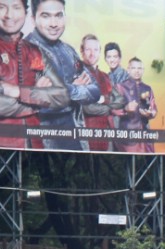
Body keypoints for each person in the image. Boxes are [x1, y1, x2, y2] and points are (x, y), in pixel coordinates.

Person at [25, 0, 99, 151]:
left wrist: (64, 91)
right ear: (33, 19)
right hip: (42, 144)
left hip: (77, 139)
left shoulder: (69, 51)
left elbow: (96, 91)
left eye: (59, 16)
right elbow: (29, 100)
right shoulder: (23, 51)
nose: (54, 23)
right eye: (46, 16)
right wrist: (76, 89)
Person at [0, 0, 67, 150]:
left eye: (16, 8)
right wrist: (37, 100)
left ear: (26, 13)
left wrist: (18, 91)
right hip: (4, 143)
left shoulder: (35, 51)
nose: (9, 15)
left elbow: (62, 96)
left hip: (35, 143)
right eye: (1, 8)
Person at [78, 34, 118, 152]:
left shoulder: (105, 76)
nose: (92, 53)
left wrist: (101, 100)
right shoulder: (77, 74)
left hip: (106, 133)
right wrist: (109, 109)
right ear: (82, 51)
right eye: (88, 49)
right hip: (85, 133)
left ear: (100, 52)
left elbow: (115, 101)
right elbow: (86, 108)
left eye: (95, 49)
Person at [113, 56, 156, 153]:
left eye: (139, 68)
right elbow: (112, 109)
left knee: (151, 160)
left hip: (145, 134)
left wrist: (150, 113)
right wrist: (125, 109)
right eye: (134, 68)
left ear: (143, 70)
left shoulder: (147, 88)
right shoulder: (120, 87)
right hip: (128, 134)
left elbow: (154, 108)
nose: (137, 71)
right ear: (128, 70)